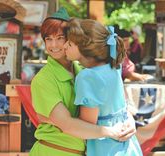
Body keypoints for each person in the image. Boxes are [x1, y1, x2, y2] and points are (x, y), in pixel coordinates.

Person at [30, 7, 136, 156]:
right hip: (54, 151)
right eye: (48, 39)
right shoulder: (43, 79)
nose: (54, 45)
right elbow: (67, 125)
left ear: (72, 40)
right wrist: (110, 131)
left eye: (60, 38)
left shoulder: (86, 71)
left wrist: (130, 121)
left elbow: (117, 105)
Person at [64, 18, 143, 156]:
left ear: (84, 48)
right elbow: (123, 106)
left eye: (69, 43)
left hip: (106, 148)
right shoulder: (114, 67)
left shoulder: (88, 77)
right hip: (128, 146)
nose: (64, 46)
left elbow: (88, 126)